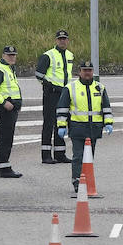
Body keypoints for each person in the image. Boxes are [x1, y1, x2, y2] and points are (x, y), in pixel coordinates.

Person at [56, 60, 114, 193]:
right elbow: (62, 108)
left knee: (89, 157)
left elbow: (106, 107)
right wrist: (61, 125)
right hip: (77, 127)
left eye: (89, 71)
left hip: (94, 128)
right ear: (80, 72)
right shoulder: (70, 88)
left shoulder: (100, 87)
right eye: (84, 70)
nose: (87, 73)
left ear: (92, 72)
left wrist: (108, 123)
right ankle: (77, 181)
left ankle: (87, 179)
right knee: (78, 156)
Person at [35, 29, 75, 164]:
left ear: (67, 40)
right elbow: (39, 74)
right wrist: (50, 86)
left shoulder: (70, 55)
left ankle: (60, 153)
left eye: (64, 39)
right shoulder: (48, 55)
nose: (62, 41)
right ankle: (46, 155)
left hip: (64, 93)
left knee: (61, 122)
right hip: (51, 93)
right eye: (60, 39)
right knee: (49, 123)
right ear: (56, 40)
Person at [0, 45, 23, 178]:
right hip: (5, 110)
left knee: (8, 138)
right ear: (3, 56)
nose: (12, 57)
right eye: (9, 55)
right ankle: (3, 168)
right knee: (5, 139)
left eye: (14, 55)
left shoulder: (8, 68)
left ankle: (5, 166)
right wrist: (4, 103)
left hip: (11, 109)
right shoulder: (0, 70)